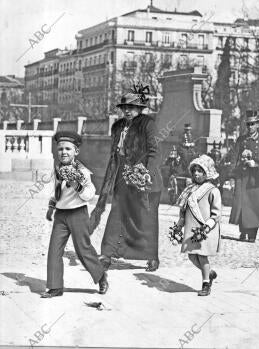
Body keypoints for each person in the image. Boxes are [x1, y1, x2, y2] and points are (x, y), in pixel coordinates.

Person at [90, 83, 163, 292]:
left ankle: (151, 256)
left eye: (131, 107)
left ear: (140, 109)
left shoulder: (147, 124)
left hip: (145, 177)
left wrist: (144, 172)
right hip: (123, 175)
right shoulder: (118, 126)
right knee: (118, 213)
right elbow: (116, 153)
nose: (127, 110)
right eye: (125, 107)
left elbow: (154, 151)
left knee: (145, 217)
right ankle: (107, 253)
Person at [41, 131, 105, 298]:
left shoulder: (82, 171)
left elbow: (90, 193)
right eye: (60, 148)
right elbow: (56, 191)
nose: (64, 152)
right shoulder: (58, 168)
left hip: (78, 213)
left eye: (68, 149)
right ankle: (55, 287)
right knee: (54, 249)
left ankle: (100, 276)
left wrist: (77, 186)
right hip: (61, 215)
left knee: (82, 249)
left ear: (76, 151)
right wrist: (51, 207)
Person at [174, 155, 221, 296]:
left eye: (200, 171)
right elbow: (183, 211)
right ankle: (210, 273)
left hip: (205, 229)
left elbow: (216, 213)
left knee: (202, 256)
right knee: (192, 256)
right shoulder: (189, 190)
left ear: (207, 173)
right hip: (190, 229)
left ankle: (206, 283)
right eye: (194, 171)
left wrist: (207, 226)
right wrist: (178, 226)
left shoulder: (212, 190)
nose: (196, 173)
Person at [229, 110, 259, 243]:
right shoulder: (241, 140)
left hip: (257, 178)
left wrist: (255, 160)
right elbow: (234, 158)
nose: (250, 127)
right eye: (248, 124)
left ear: (258, 125)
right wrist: (232, 177)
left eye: (252, 124)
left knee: (255, 205)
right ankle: (243, 232)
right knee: (243, 204)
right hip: (242, 177)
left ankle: (252, 234)